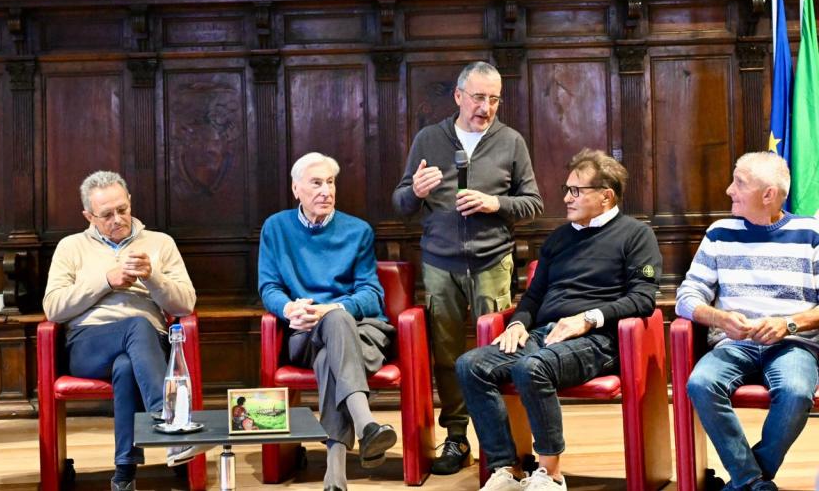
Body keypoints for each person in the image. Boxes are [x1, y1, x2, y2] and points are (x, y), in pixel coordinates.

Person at [455, 149, 660, 491]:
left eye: (576, 191)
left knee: (531, 368)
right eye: (567, 189)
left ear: (606, 196)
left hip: (598, 339)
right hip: (543, 334)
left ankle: (550, 473)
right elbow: (533, 297)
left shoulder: (636, 235)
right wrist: (518, 323)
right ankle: (508, 468)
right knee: (470, 365)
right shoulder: (559, 238)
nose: (566, 198)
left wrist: (587, 319)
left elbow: (643, 300)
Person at [392, 60, 543, 474]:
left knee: (496, 355)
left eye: (494, 99)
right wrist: (414, 192)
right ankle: (457, 438)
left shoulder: (511, 141)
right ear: (458, 96)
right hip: (440, 264)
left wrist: (497, 203)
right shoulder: (429, 139)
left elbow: (533, 202)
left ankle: (501, 444)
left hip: (493, 261)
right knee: (445, 356)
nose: (486, 107)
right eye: (479, 97)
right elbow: (401, 203)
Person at [43, 170, 199, 491]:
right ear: (89, 216)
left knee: (128, 363)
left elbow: (185, 304)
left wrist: (152, 277)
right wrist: (106, 281)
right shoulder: (71, 247)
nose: (118, 219)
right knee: (136, 326)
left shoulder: (160, 244)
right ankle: (168, 421)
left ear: (129, 202)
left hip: (148, 347)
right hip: (88, 345)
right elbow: (54, 308)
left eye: (122, 209)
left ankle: (124, 474)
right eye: (107, 214)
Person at [676, 152, 819, 491]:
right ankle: (752, 480)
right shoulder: (719, 233)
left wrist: (790, 324)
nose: (729, 190)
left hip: (793, 344)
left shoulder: (811, 234)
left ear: (768, 194)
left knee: (797, 392)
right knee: (700, 384)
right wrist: (718, 317)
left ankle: (747, 479)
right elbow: (687, 296)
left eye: (739, 183)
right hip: (733, 343)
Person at [258, 152, 397, 491]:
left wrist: (331, 309)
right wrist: (290, 308)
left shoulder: (357, 231)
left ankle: (335, 474)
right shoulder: (276, 228)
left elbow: (371, 294)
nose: (326, 191)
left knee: (332, 344)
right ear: (296, 189)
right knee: (331, 329)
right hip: (305, 332)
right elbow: (268, 287)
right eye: (316, 183)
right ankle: (366, 425)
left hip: (363, 334)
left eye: (331, 182)